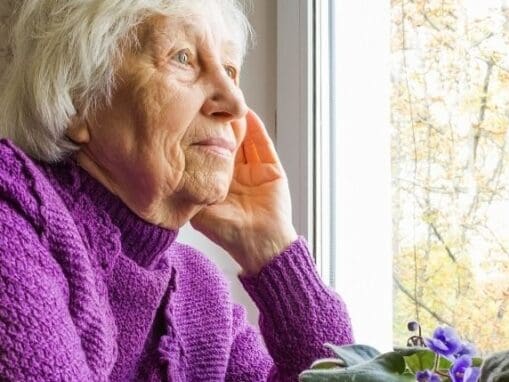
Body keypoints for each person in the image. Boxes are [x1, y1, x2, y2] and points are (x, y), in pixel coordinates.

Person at [0, 1, 354, 381]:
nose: (235, 103)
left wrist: (272, 249)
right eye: (183, 57)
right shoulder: (13, 221)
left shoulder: (198, 291)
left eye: (231, 71)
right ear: (78, 98)